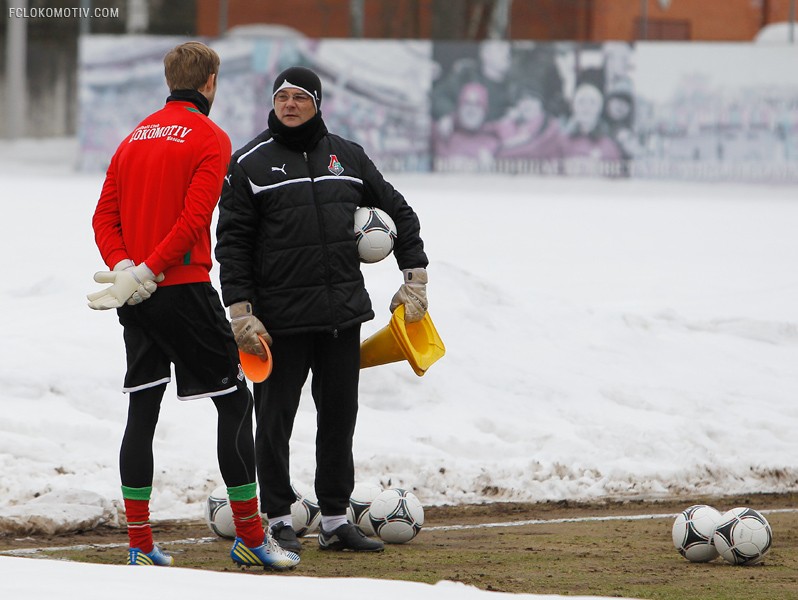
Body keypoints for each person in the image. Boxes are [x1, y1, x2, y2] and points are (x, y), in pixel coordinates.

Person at [87, 41, 300, 571]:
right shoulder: (210, 136)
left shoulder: (132, 138)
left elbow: (102, 218)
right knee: (235, 403)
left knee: (142, 409)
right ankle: (251, 536)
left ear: (170, 79)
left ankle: (139, 543)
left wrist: (125, 271)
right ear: (209, 83)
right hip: (178, 288)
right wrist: (152, 269)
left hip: (134, 295)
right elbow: (193, 220)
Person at [215, 66, 429, 554]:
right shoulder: (249, 162)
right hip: (279, 322)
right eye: (281, 97)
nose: (289, 104)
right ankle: (275, 518)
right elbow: (232, 243)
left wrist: (414, 277)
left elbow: (399, 212)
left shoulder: (347, 157)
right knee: (273, 423)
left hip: (341, 316)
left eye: (299, 97)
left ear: (317, 103)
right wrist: (241, 311)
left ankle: (334, 520)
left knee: (339, 417)